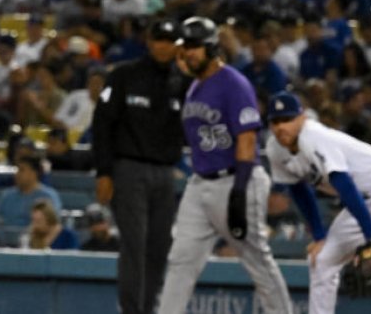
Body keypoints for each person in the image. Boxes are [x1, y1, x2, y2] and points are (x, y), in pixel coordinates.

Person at [157, 17, 291, 314]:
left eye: (194, 47)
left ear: (211, 48)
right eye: (185, 47)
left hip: (236, 179)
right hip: (200, 183)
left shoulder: (233, 83)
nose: (188, 53)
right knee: (180, 260)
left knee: (257, 261)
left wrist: (239, 192)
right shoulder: (194, 87)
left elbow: (246, 139)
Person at [265, 92, 371, 313]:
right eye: (276, 121)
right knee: (322, 261)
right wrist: (319, 236)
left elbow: (345, 186)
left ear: (301, 117)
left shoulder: (314, 137)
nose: (282, 127)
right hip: (363, 201)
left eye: (288, 119)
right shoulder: (274, 149)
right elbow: (299, 191)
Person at [89, 18, 187, 314]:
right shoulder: (123, 75)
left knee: (159, 248)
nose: (163, 46)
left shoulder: (182, 82)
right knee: (134, 246)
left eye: (170, 41)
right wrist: (104, 171)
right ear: (148, 41)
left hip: (164, 174)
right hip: (128, 169)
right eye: (158, 40)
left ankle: (150, 308)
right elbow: (102, 123)